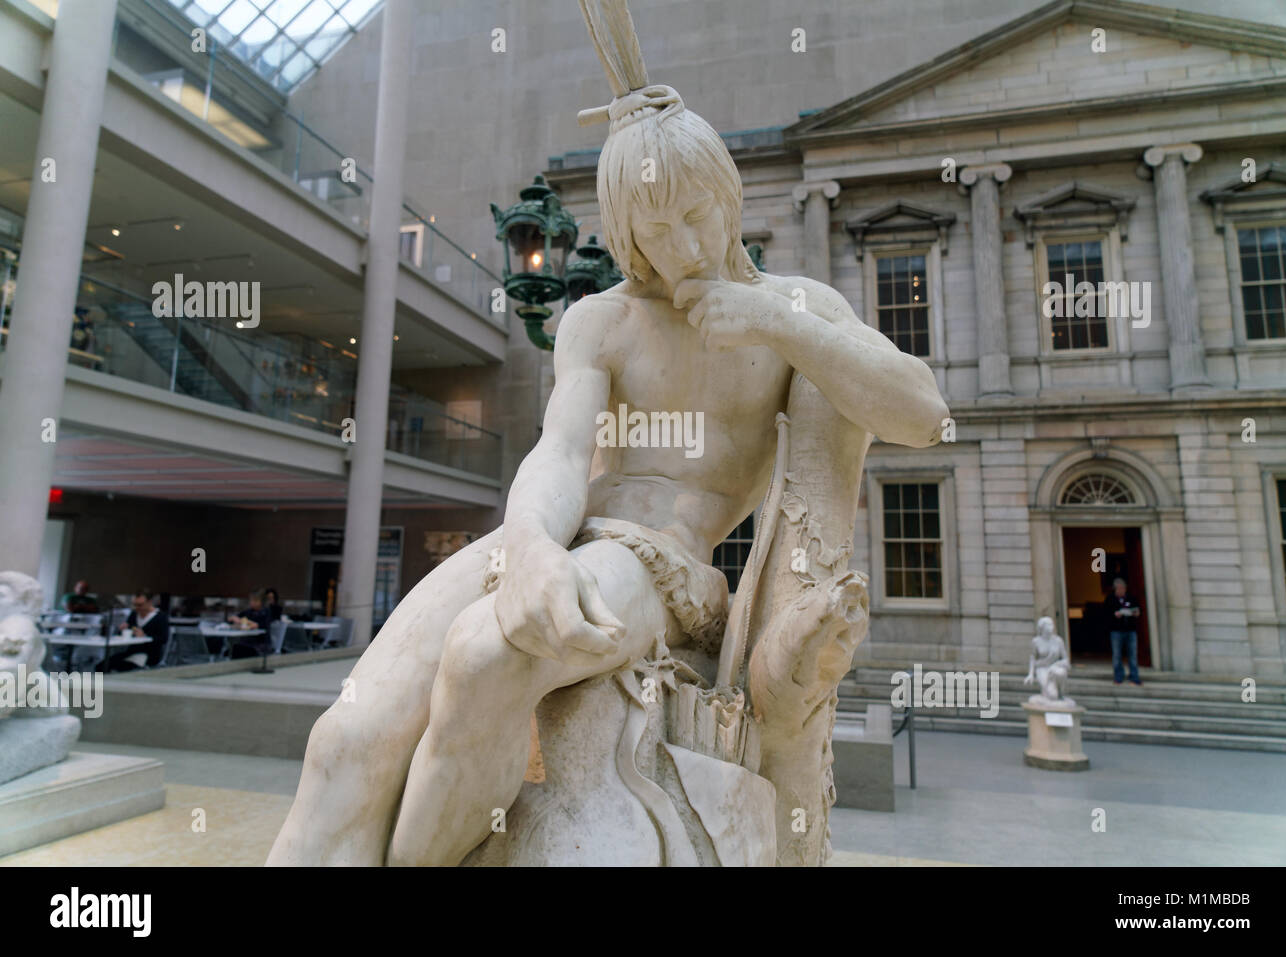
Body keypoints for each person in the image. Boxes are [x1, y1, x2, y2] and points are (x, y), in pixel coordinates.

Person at [269, 65, 948, 867]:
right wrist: (528, 547)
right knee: (345, 735)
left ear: (726, 193)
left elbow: (923, 414)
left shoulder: (796, 311)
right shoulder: (603, 319)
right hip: (560, 530)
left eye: (697, 215)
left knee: (486, 658)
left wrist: (775, 323)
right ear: (629, 233)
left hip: (660, 566)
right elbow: (558, 451)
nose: (687, 248)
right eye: (659, 231)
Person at [106, 590, 169, 671]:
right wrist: (122, 629)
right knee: (101, 666)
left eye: (140, 605)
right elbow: (128, 629)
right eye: (135, 605)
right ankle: (91, 683)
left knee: (120, 667)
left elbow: (163, 639)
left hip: (149, 654)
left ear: (149, 602)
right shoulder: (134, 614)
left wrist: (145, 636)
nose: (137, 608)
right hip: (131, 652)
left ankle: (107, 682)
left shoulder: (160, 617)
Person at [1105, 577, 1142, 685]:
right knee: (1117, 655)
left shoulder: (1131, 598)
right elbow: (1106, 614)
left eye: (1123, 588)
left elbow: (1138, 610)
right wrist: (1115, 615)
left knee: (1133, 654)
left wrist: (1135, 613)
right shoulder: (1110, 599)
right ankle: (1118, 677)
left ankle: (1134, 677)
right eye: (1119, 589)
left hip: (1131, 630)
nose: (1121, 590)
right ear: (1115, 589)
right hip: (1116, 631)